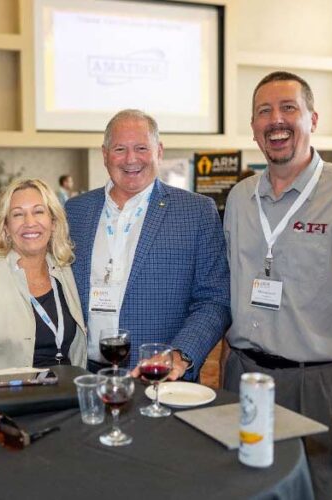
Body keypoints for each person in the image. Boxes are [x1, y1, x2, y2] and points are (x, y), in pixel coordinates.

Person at [222, 71, 332, 499]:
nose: (276, 120)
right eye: (264, 111)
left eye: (289, 108)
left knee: (321, 492)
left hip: (321, 386)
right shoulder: (239, 199)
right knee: (240, 489)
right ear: (253, 127)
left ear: (313, 119)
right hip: (243, 376)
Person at [65, 109, 230, 381]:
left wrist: (180, 354)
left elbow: (215, 299)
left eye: (142, 148)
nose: (131, 159)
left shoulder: (195, 212)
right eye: (120, 149)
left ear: (159, 151)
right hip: (85, 375)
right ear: (105, 154)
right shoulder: (75, 211)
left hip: (160, 378)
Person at [0, 178, 87, 377]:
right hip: (6, 402)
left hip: (68, 398)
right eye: (18, 214)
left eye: (39, 212)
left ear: (54, 222)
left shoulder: (65, 269)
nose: (30, 223)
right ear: (5, 226)